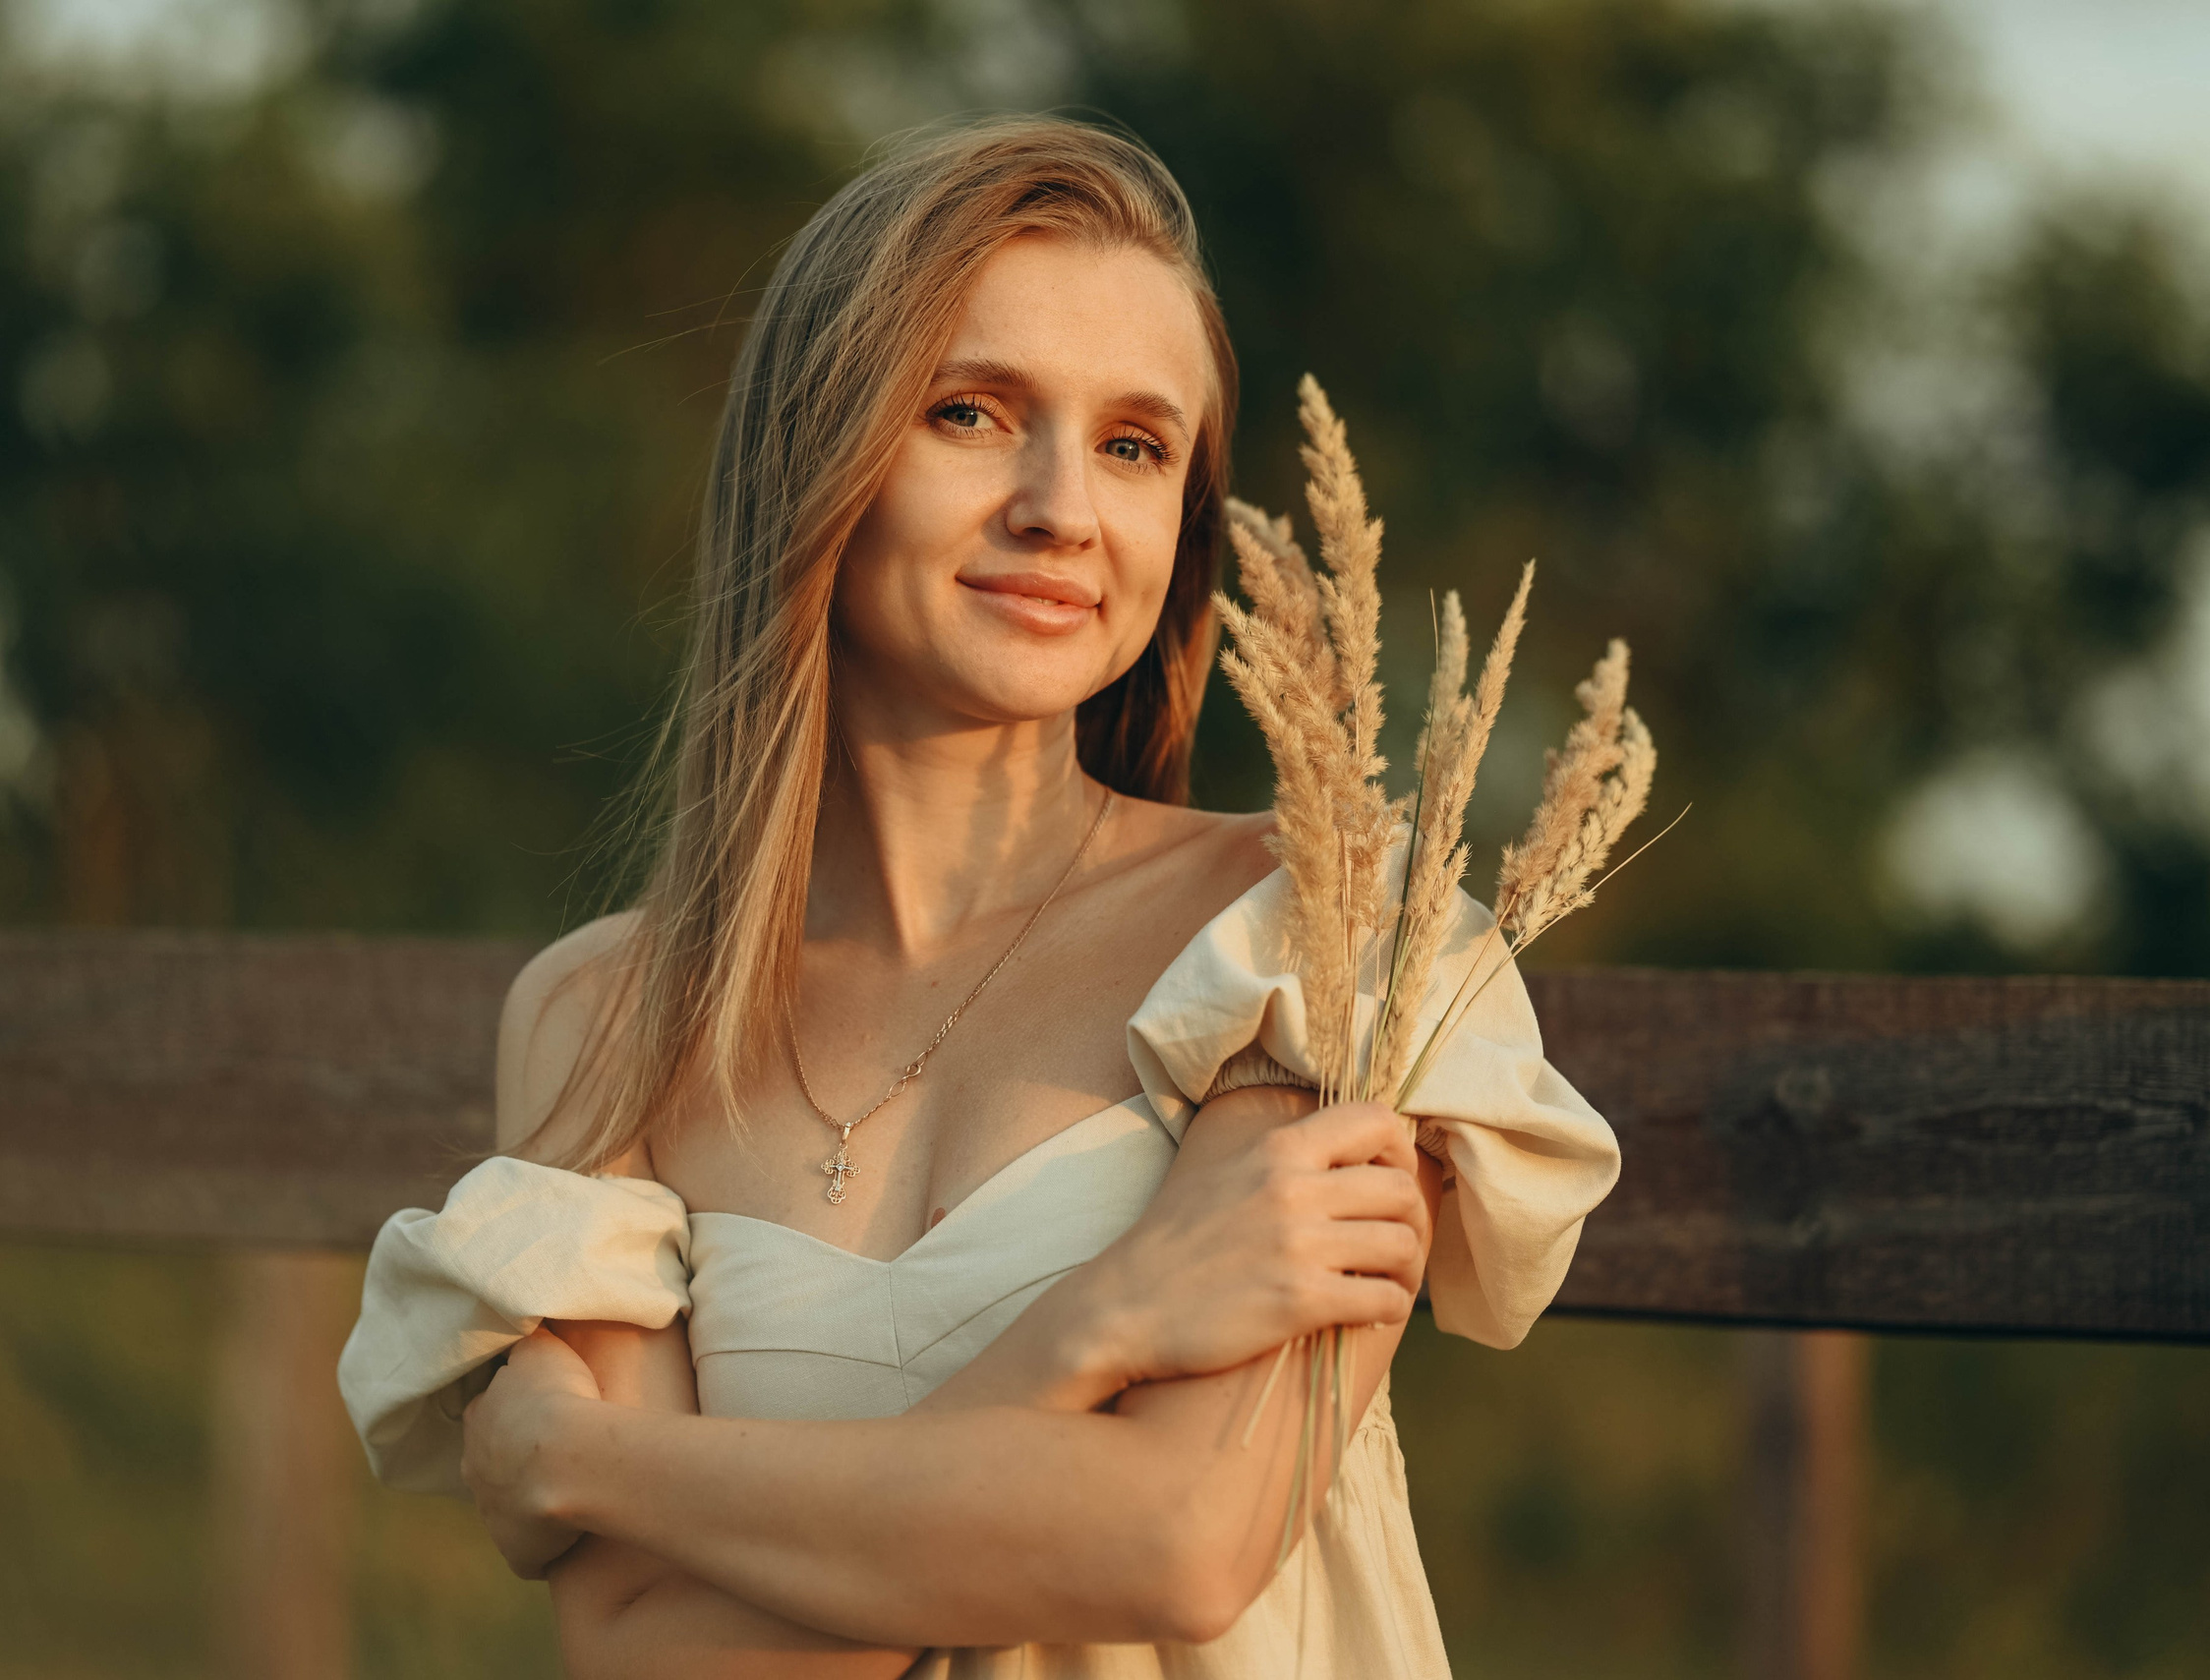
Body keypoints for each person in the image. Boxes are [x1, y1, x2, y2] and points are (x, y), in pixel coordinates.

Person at [338, 113, 1620, 1679]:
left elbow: (1178, 1539)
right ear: (822, 460)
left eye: (1135, 447)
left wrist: (582, 1461)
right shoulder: (609, 1017)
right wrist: (1100, 1326)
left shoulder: (1317, 940)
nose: (1061, 507)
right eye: (971, 412)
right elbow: (639, 1660)